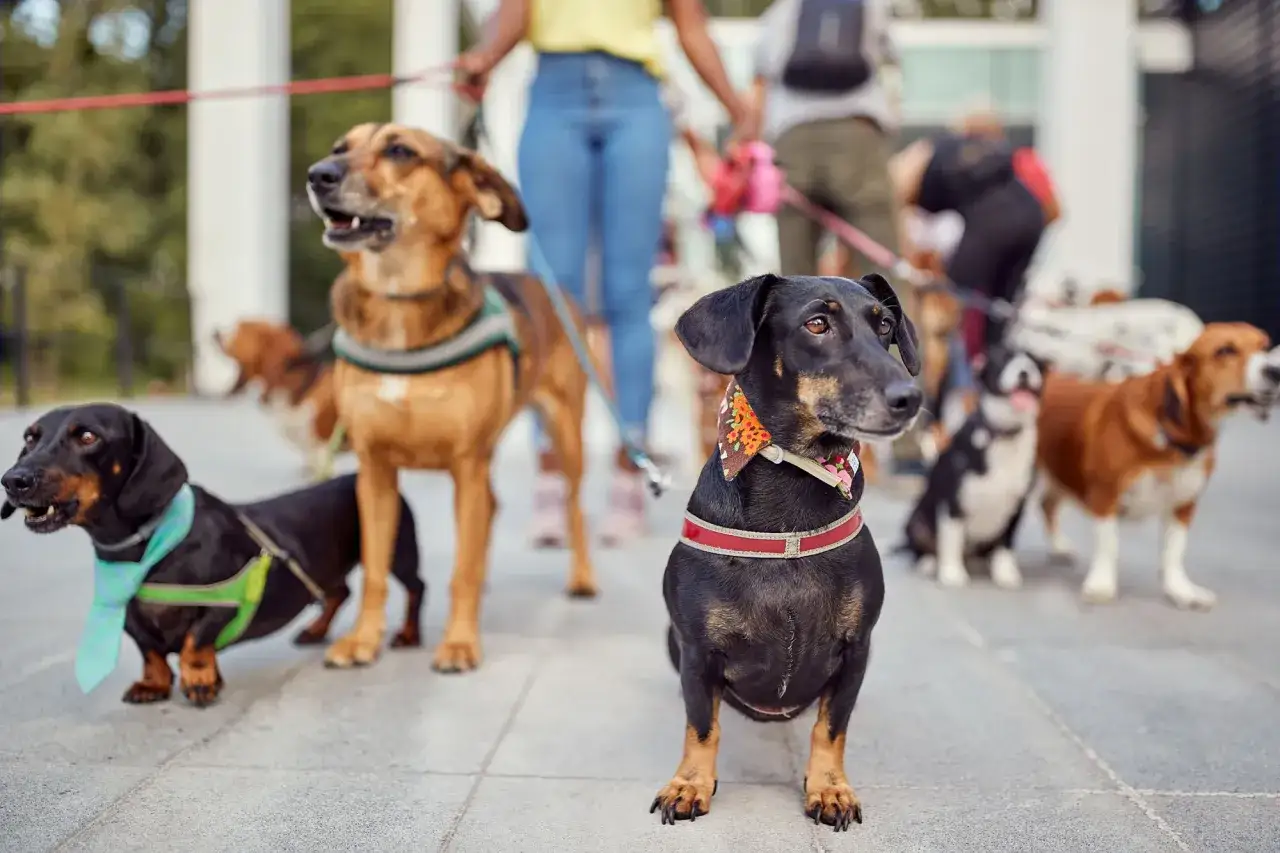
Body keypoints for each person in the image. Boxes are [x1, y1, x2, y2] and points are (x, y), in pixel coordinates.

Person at [455, 0, 750, 546]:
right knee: (551, 294)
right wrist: (484, 58)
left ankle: (628, 470)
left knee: (627, 293)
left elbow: (690, 26)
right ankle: (551, 477)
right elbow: (514, 15)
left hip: (635, 96)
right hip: (554, 94)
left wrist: (737, 107)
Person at [749, 0, 925, 475]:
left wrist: (752, 147)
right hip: (858, 139)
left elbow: (760, 86)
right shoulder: (871, 6)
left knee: (796, 295)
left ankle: (784, 430)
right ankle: (907, 448)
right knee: (889, 282)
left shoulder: (780, 13)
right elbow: (892, 71)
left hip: (791, 142)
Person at [890, 110, 1060, 360]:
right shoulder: (995, 156)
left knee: (954, 309)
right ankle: (989, 370)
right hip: (1030, 218)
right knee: (997, 316)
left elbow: (897, 202)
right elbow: (1053, 210)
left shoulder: (920, 156)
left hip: (989, 225)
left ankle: (949, 380)